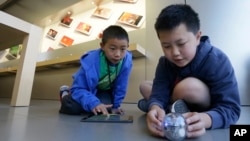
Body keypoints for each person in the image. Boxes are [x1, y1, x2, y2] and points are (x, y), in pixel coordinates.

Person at [137, 4, 241, 139]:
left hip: (200, 101)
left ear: (198, 37)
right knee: (145, 86)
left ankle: (168, 107)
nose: (174, 53)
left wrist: (206, 119)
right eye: (166, 46)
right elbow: (158, 93)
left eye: (181, 44)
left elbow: (231, 108)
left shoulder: (217, 60)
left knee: (188, 87)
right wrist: (155, 108)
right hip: (174, 97)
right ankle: (168, 107)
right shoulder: (164, 63)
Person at [59, 25, 133, 116]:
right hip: (83, 89)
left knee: (106, 107)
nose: (118, 54)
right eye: (112, 49)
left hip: (102, 90)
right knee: (72, 107)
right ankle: (65, 93)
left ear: (127, 47)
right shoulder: (91, 61)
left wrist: (116, 106)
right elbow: (78, 88)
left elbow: (121, 86)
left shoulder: (126, 61)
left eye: (123, 49)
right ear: (102, 46)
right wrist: (94, 103)